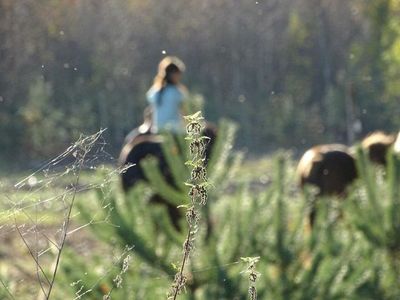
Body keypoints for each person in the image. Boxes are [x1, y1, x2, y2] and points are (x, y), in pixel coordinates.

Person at [146, 56, 187, 133]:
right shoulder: (177, 92)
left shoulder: (156, 90)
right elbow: (185, 111)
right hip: (174, 130)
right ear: (173, 74)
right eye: (178, 74)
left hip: (157, 130)